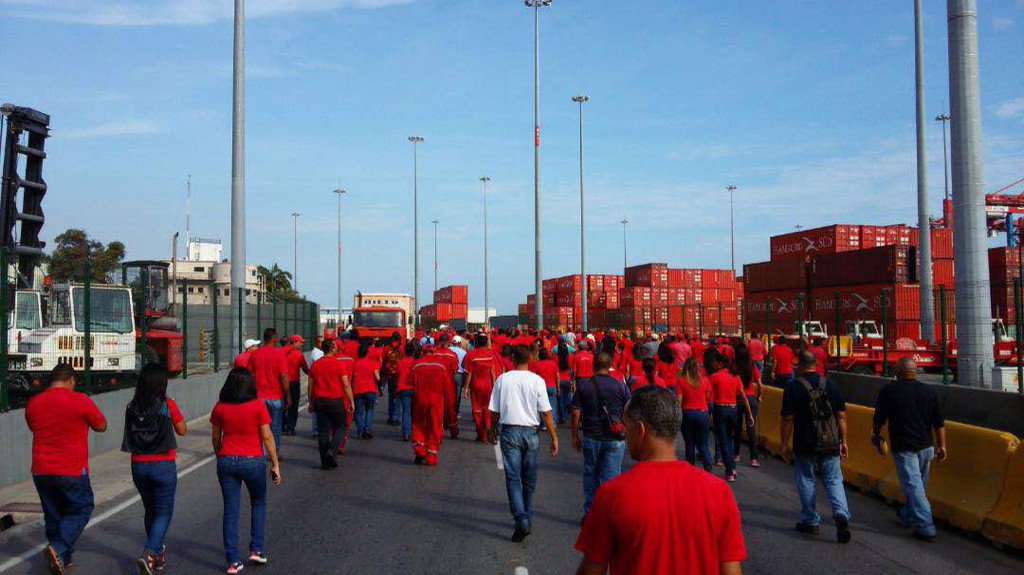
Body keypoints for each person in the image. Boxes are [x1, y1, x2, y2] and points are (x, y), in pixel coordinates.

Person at [574, 386, 747, 575]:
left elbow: (591, 570)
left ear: (640, 429)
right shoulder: (719, 492)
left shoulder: (612, 494)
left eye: (626, 426)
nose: (625, 434)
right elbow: (731, 571)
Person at [25, 364, 107, 575]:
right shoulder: (80, 400)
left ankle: (63, 558)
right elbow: (101, 426)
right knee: (82, 508)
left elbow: (33, 427)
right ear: (71, 379)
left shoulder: (34, 403)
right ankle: (58, 548)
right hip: (71, 469)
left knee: (53, 513)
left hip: (41, 469)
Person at [210, 368, 282, 574]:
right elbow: (267, 437)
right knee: (258, 503)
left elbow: (216, 438)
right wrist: (275, 464)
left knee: (230, 510)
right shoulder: (257, 406)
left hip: (226, 460)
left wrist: (221, 457)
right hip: (252, 461)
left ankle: (232, 560)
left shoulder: (220, 407)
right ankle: (256, 549)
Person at [488, 345, 558, 542]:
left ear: (512, 358)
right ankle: (526, 515)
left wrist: (491, 430)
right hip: (531, 433)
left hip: (509, 432)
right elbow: (545, 412)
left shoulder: (503, 379)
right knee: (529, 478)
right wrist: (554, 437)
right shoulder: (537, 381)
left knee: (513, 478)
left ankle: (521, 518)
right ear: (530, 359)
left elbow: (494, 410)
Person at [872, 358, 946, 542]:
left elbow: (879, 418)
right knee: (918, 486)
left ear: (898, 371)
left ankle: (926, 527)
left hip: (905, 448)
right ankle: (908, 515)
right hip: (926, 447)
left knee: (914, 488)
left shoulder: (889, 391)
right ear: (915, 371)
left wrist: (876, 436)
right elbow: (939, 423)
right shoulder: (929, 391)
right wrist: (942, 446)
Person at [780, 350, 851, 544]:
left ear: (799, 365)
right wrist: (843, 441)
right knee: (834, 479)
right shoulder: (831, 385)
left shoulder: (793, 387)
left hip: (804, 443)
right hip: (830, 441)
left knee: (806, 479)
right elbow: (841, 417)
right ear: (816, 364)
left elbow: (788, 419)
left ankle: (810, 520)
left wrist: (784, 444)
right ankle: (841, 514)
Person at [122, 364, 187, 574]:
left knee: (150, 510)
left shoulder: (131, 407)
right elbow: (182, 430)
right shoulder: (167, 404)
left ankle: (157, 557)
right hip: (162, 464)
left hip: (139, 464)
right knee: (164, 513)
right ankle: (149, 553)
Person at [570, 353, 630, 518]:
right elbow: (629, 410)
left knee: (591, 475)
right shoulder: (620, 386)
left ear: (593, 365)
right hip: (615, 438)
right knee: (611, 478)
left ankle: (591, 513)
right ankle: (610, 514)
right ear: (610, 365)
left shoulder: (585, 385)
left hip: (591, 436)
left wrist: (574, 435)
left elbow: (575, 412)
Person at [307, 339, 354, 469]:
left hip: (320, 401)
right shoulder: (338, 364)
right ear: (332, 349)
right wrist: (351, 401)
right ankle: (332, 449)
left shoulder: (315, 365)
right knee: (340, 426)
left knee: (323, 431)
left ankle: (324, 462)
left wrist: (311, 403)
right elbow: (346, 384)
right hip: (336, 401)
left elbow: (310, 387)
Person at [707, 351, 754, 482]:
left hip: (720, 409)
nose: (713, 364)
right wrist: (750, 415)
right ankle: (732, 467)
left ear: (720, 364)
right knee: (729, 438)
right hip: (733, 409)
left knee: (723, 440)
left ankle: (729, 471)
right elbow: (743, 396)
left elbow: (707, 395)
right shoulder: (735, 377)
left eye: (714, 362)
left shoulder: (714, 377)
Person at [410, 345, 456, 466]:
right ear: (433, 352)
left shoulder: (416, 364)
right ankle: (431, 456)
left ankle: (419, 450)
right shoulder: (440, 365)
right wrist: (450, 406)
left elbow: (409, 383)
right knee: (435, 426)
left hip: (420, 398)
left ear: (422, 352)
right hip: (436, 400)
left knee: (418, 424)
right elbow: (448, 388)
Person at [246, 328, 290, 451]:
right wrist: (288, 395)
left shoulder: (255, 354)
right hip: (275, 396)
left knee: (260, 426)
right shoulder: (279, 354)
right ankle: (274, 452)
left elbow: (248, 375)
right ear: (274, 339)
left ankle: (260, 452)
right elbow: (284, 376)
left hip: (259, 397)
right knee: (275, 426)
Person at [677, 357, 713, 470]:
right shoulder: (705, 380)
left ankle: (690, 467)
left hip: (687, 413)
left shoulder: (682, 380)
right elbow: (707, 396)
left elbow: (679, 399)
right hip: (702, 412)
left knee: (690, 443)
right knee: (703, 443)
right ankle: (707, 462)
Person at [463, 334, 500, 442]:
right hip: (488, 384)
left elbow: (469, 373)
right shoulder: (490, 354)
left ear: (476, 342)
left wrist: (465, 388)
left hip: (476, 385)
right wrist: (494, 386)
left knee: (477, 410)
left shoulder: (471, 355)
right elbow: (492, 372)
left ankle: (481, 434)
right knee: (487, 408)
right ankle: (488, 428)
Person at [733, 345, 762, 469]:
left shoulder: (734, 367)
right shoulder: (752, 366)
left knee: (737, 426)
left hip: (738, 398)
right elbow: (760, 384)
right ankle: (754, 458)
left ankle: (736, 454)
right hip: (750, 398)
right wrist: (758, 396)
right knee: (751, 427)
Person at [352, 343, 382, 440]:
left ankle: (360, 430)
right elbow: (377, 377)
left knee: (358, 411)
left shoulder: (354, 363)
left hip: (358, 389)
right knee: (369, 409)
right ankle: (367, 428)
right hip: (370, 389)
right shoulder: (372, 363)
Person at [281, 336, 309, 437]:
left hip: (281, 382)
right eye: (300, 343)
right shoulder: (298, 354)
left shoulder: (281, 352)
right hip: (293, 383)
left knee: (283, 405)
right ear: (294, 342)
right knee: (293, 406)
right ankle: (290, 427)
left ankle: (282, 426)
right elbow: (305, 369)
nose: (302, 345)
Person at [530, 347, 560, 428]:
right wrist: (558, 388)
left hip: (540, 388)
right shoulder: (553, 363)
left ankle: (543, 424)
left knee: (540, 406)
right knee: (552, 405)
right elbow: (557, 376)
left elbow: (533, 377)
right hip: (551, 386)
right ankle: (552, 423)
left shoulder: (536, 364)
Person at [394, 343, 418, 441]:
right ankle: (415, 432)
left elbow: (397, 374)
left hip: (403, 388)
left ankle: (406, 432)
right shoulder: (416, 362)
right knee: (414, 412)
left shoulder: (399, 362)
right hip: (414, 388)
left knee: (406, 412)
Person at [555, 337, 575, 424]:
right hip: (567, 379)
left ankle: (562, 416)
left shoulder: (555, 358)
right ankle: (567, 414)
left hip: (559, 381)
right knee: (567, 398)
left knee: (560, 400)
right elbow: (572, 369)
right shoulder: (570, 357)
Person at [449, 335, 468, 415]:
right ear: (459, 343)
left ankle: (449, 411)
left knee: (449, 393)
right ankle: (455, 413)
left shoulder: (448, 350)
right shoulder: (464, 352)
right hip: (459, 375)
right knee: (458, 394)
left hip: (449, 374)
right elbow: (465, 366)